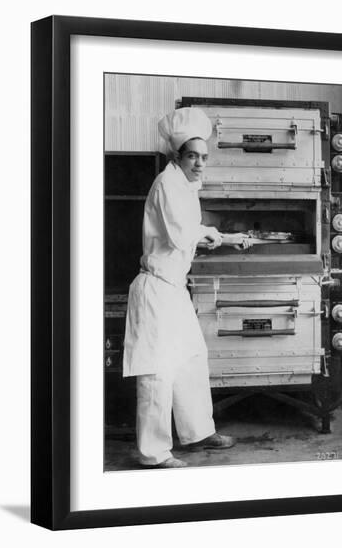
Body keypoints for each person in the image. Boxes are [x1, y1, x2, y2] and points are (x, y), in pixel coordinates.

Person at [123, 107, 248, 468]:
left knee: (192, 360)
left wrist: (227, 236)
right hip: (156, 289)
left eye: (204, 157)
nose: (199, 163)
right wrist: (214, 234)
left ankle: (197, 433)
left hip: (174, 290)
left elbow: (192, 233)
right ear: (178, 157)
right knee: (157, 373)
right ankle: (154, 453)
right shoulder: (166, 183)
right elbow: (181, 235)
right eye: (192, 156)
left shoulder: (185, 186)